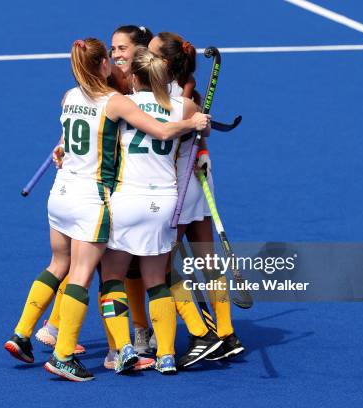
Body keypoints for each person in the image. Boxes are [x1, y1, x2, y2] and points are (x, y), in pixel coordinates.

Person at [7, 38, 210, 382]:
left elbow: (68, 140)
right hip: (93, 200)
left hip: (60, 194)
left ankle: (22, 334)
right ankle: (66, 354)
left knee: (58, 265)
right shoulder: (116, 102)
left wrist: (60, 150)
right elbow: (161, 128)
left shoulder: (68, 97)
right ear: (103, 64)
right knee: (85, 276)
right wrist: (192, 124)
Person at [100, 47, 211, 375]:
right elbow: (202, 128)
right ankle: (165, 355)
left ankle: (123, 349)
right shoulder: (184, 106)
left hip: (127, 201)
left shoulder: (123, 105)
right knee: (156, 280)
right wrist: (198, 120)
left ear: (134, 78)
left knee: (111, 279)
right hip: (164, 203)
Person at [149, 32, 245, 366]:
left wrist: (201, 143)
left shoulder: (162, 95)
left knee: (161, 264)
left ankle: (201, 332)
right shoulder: (187, 92)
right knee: (205, 259)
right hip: (199, 181)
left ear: (165, 63)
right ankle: (226, 332)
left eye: (151, 54)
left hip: (176, 184)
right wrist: (203, 145)